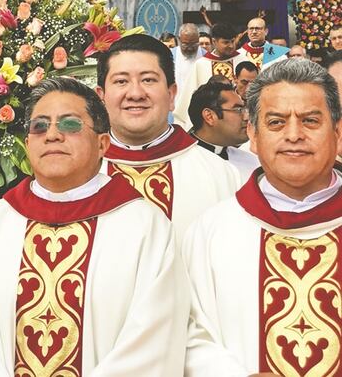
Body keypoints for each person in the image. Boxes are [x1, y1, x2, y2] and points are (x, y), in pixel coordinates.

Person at [0, 77, 186, 375]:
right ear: (28, 142)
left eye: (70, 125)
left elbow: (153, 340)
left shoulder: (146, 228)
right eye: (39, 126)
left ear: (102, 143)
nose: (53, 135)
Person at [184, 59, 342, 376]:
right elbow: (188, 333)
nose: (294, 135)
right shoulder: (213, 231)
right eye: (276, 123)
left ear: (336, 133)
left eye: (310, 121)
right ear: (253, 136)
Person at [97, 34, 240, 235]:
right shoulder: (77, 176)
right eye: (121, 81)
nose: (135, 94)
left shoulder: (222, 175)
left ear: (171, 95)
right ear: (101, 97)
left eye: (148, 80)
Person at [188, 80, 259, 179]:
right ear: (209, 116)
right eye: (238, 110)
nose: (246, 117)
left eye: (244, 109)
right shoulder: (182, 164)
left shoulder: (252, 162)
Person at [174, 22, 240, 128]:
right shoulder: (202, 64)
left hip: (238, 119)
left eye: (233, 41)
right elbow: (189, 98)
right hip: (209, 122)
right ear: (214, 41)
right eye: (226, 42)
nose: (231, 46)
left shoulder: (242, 60)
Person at [172, 23, 206, 93]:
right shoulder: (170, 55)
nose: (190, 48)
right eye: (186, 44)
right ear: (179, 39)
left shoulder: (206, 56)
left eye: (193, 44)